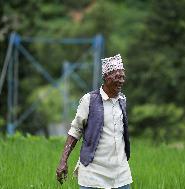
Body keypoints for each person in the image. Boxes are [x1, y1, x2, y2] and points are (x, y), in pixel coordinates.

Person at [56, 54, 133, 189]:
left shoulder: (122, 100)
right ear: (106, 78)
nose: (121, 81)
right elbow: (75, 131)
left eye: (122, 77)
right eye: (117, 77)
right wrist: (63, 161)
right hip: (93, 172)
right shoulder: (89, 100)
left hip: (120, 173)